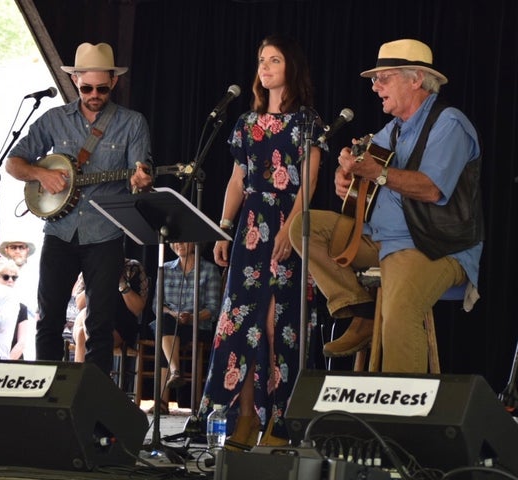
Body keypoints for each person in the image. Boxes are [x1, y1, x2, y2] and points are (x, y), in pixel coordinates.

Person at [288, 39, 482, 373]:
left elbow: (432, 189)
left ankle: (400, 420)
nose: (375, 87)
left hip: (433, 246)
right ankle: (359, 309)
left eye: (384, 78)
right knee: (303, 226)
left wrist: (377, 173)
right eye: (375, 80)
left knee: (400, 310)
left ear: (415, 80)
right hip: (380, 241)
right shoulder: (392, 130)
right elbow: (362, 167)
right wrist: (344, 174)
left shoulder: (449, 124)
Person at [199, 34, 323, 447]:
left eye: (274, 60)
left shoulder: (308, 122)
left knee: (276, 325)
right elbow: (237, 179)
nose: (264, 67)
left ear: (292, 66)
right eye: (260, 60)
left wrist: (291, 228)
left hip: (287, 222)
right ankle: (244, 418)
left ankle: (281, 423)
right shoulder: (246, 123)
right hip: (251, 226)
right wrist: (224, 225)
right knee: (241, 324)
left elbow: (310, 181)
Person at [5, 42, 152, 375]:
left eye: (102, 87)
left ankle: (94, 411)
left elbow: (140, 173)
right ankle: (46, 397)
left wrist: (141, 180)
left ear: (114, 82)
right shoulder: (54, 120)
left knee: (100, 324)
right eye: (87, 87)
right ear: (75, 82)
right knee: (49, 318)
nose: (95, 94)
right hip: (59, 231)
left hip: (105, 232)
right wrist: (40, 173)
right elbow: (13, 163)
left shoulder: (132, 123)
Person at [150, 242, 221, 414]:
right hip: (170, 322)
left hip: (197, 326)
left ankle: (162, 400)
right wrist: (173, 314)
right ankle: (175, 371)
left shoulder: (209, 270)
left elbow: (214, 308)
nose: (178, 244)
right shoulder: (165, 268)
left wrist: (192, 317)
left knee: (164, 333)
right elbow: (157, 305)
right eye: (174, 241)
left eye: (183, 240)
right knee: (165, 322)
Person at [72, 258, 149, 362]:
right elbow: (80, 304)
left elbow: (137, 309)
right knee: (86, 314)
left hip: (118, 326)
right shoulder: (89, 264)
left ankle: (87, 375)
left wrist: (121, 283)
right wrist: (98, 280)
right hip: (87, 321)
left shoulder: (132, 267)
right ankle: (95, 370)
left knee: (82, 332)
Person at [0, 258, 33, 360]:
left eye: (14, 278)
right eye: (6, 277)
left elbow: (21, 342)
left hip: (13, 361)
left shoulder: (21, 307)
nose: (10, 280)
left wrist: (6, 364)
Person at [0, 239, 39, 320]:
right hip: (3, 321)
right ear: (6, 250)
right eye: (13, 248)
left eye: (21, 247)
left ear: (27, 250)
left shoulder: (37, 273)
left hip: (30, 322)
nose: (17, 251)